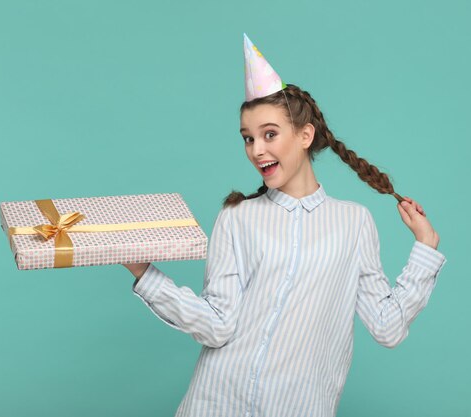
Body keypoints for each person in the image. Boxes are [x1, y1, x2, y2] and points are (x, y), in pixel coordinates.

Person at [122, 33, 447, 417]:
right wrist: (144, 273)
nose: (257, 149)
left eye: (269, 134)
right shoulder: (237, 216)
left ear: (305, 135)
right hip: (216, 402)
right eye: (248, 138)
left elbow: (387, 327)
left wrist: (426, 247)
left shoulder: (354, 222)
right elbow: (218, 326)